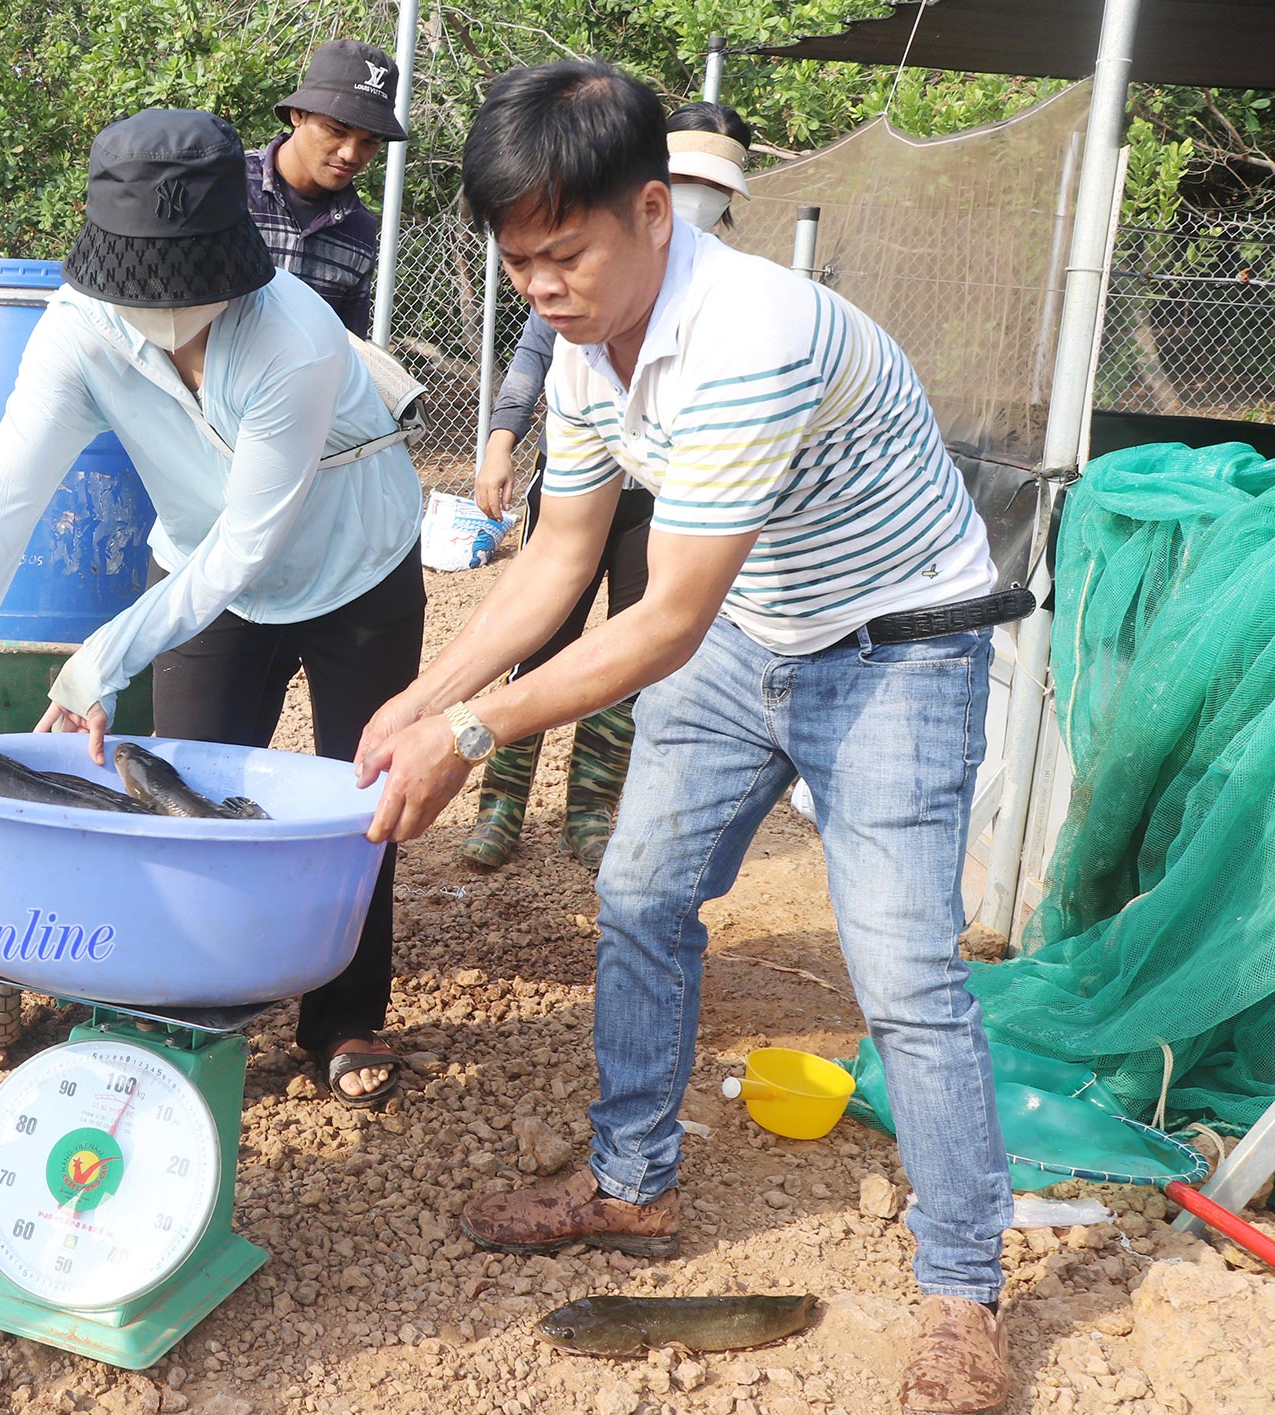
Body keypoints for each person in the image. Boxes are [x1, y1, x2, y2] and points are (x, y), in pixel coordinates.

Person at [356, 63, 1018, 1414]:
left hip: (901, 640)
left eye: (564, 253)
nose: (539, 287)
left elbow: (660, 621)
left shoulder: (747, 334)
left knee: (902, 975)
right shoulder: (593, 348)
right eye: (517, 261)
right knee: (642, 889)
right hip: (752, 630)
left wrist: (470, 731)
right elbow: (561, 554)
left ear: (655, 209)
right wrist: (427, 694)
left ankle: (964, 1289)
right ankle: (633, 1183)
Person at [0, 109, 424, 1108]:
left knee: (358, 798)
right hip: (195, 579)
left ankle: (341, 1014)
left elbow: (248, 545)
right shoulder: (77, 329)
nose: (162, 313)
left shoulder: (290, 334)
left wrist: (97, 658)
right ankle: (176, 1007)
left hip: (353, 568)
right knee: (168, 807)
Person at [462, 102, 753, 870]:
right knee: (546, 639)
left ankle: (591, 806)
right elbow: (532, 364)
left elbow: (668, 625)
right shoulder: (584, 281)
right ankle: (501, 805)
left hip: (658, 504)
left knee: (632, 647)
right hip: (576, 485)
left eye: (715, 186)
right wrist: (500, 442)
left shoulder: (734, 308)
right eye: (688, 177)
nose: (700, 196)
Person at [244, 39, 408, 336]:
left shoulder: (357, 229)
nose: (351, 154)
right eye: (337, 131)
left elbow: (347, 348)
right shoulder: (229, 186)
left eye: (369, 142)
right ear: (298, 114)